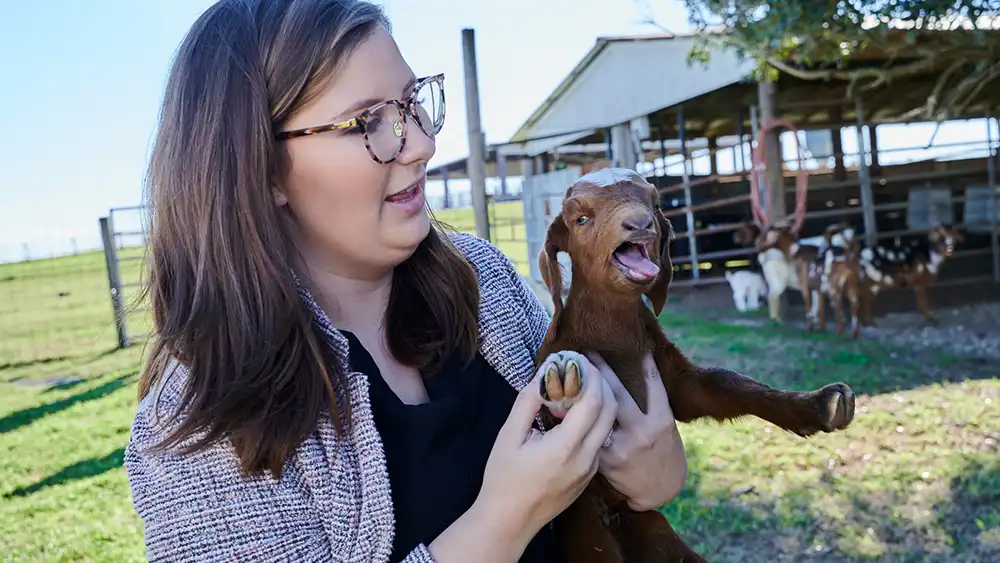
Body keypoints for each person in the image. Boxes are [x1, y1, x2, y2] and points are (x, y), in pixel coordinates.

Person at [123, 0, 689, 561]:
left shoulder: (484, 281)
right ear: (261, 168)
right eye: (368, 122)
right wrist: (502, 523)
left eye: (412, 103)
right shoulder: (199, 422)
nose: (421, 143)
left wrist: (653, 470)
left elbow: (633, 478)